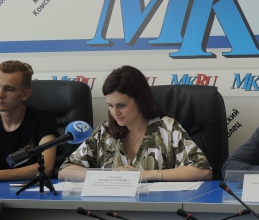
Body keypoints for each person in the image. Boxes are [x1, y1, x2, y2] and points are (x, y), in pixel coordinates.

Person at [59, 66, 212, 182]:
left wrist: (145, 175)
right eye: (110, 106)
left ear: (140, 100)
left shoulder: (167, 127)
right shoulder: (105, 131)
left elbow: (203, 171)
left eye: (122, 105)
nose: (115, 112)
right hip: (109, 208)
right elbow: (65, 170)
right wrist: (106, 176)